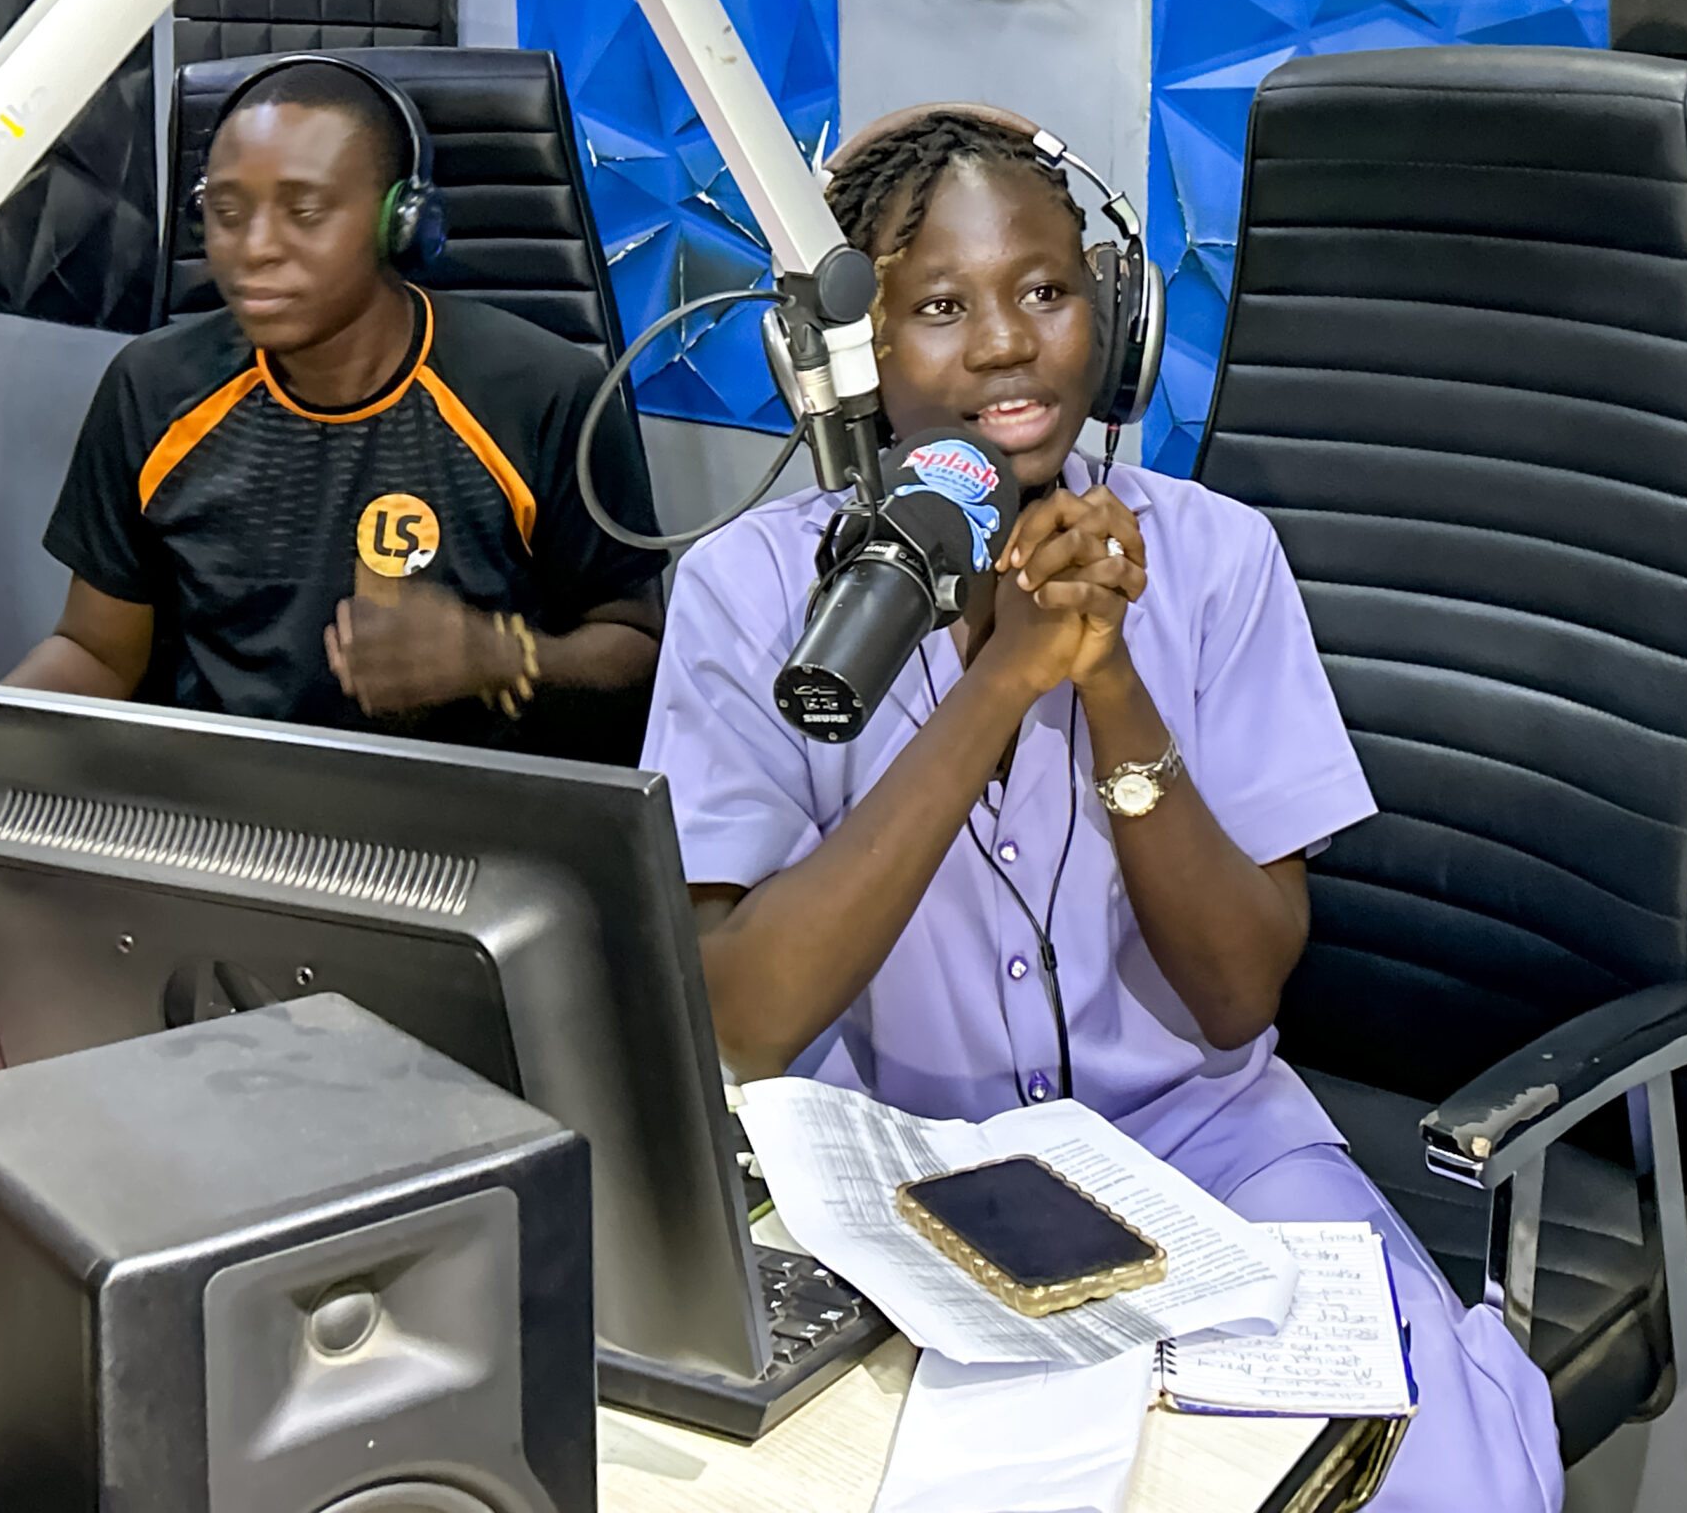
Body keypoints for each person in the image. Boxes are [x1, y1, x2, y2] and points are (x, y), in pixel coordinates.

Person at [643, 109, 1563, 1511]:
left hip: (1208, 1160)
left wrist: (1108, 672)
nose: (1007, 345)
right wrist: (1001, 685)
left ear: (1114, 321)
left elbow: (1235, 994)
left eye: (1047, 292)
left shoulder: (1215, 559)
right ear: (847, 355)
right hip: (902, 1192)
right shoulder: (747, 596)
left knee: (1431, 1471)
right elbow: (743, 1019)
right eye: (939, 307)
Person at [9, 55, 666, 764]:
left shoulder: (542, 390)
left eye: (305, 211)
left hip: (463, 830)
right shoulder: (151, 387)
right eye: (226, 214)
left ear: (401, 224)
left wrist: (497, 656)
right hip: (220, 820)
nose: (253, 249)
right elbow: (97, 653)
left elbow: (642, 660)